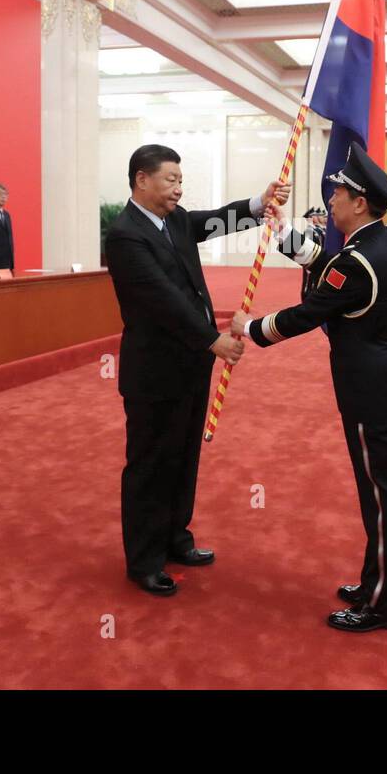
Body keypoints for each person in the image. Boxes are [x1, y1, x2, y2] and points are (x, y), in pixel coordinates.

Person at [233, 141, 387, 633]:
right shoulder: (379, 242)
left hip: (371, 393)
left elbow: (308, 313)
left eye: (337, 192)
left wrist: (249, 328)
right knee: (384, 491)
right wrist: (283, 230)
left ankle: (382, 605)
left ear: (359, 203)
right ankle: (377, 580)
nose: (330, 199)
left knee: (382, 495)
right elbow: (324, 268)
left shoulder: (357, 260)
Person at [105, 144, 288, 597]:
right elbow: (162, 299)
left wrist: (258, 203)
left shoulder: (175, 219)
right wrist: (213, 340)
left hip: (190, 366)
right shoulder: (126, 235)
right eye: (170, 180)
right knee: (150, 463)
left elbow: (217, 219)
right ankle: (144, 560)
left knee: (184, 456)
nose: (178, 188)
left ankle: (175, 539)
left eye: (180, 181)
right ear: (141, 179)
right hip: (154, 371)